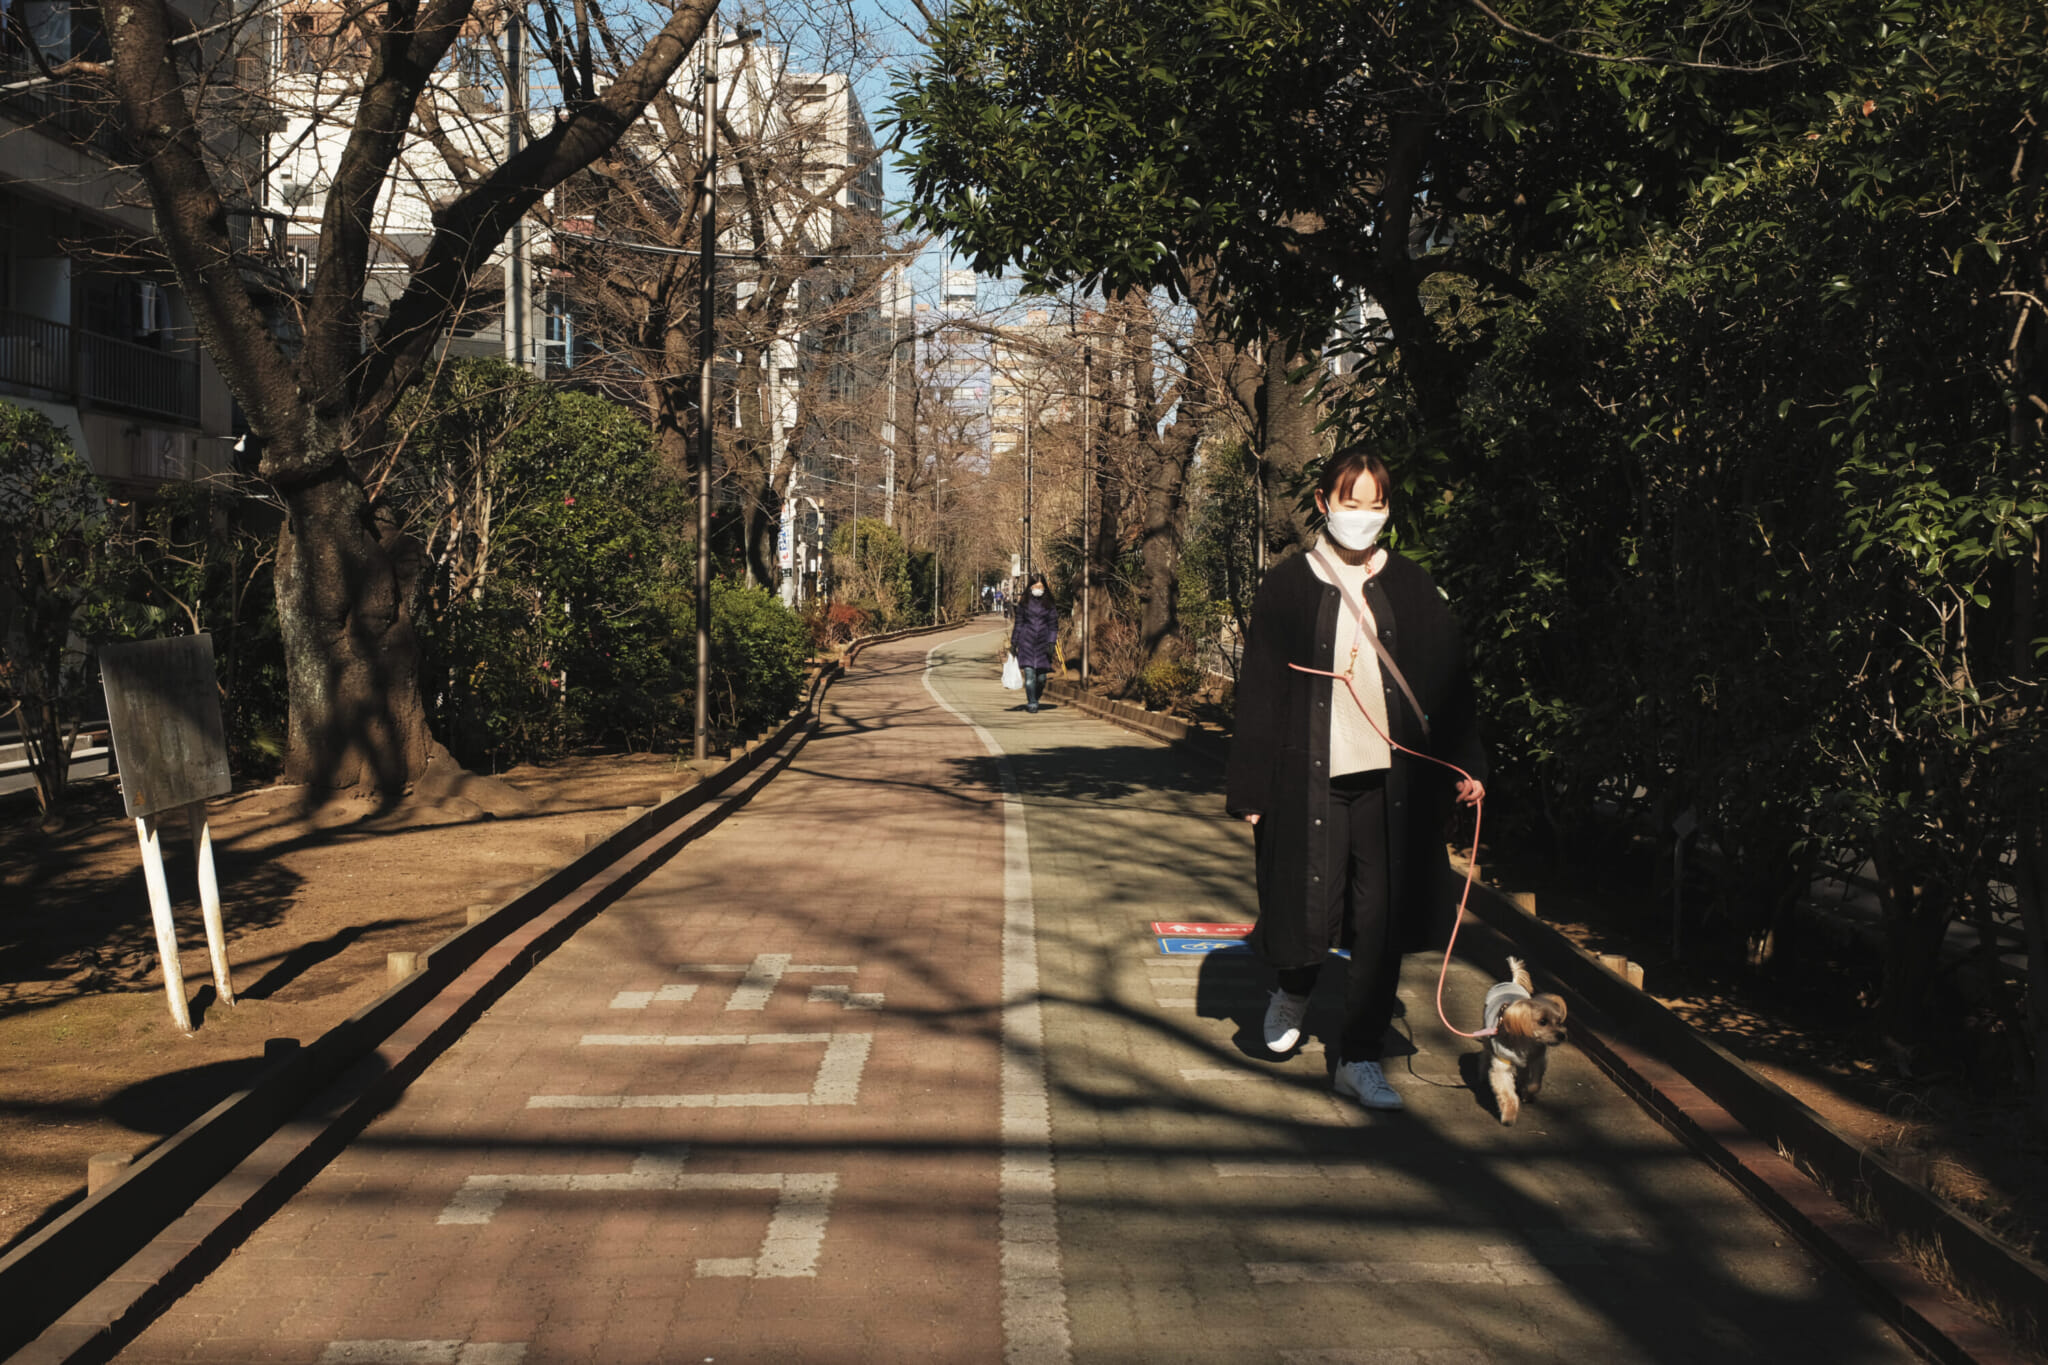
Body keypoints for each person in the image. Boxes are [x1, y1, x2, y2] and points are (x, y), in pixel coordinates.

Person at [1224, 447, 1487, 1112]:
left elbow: (1450, 683)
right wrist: (1251, 786)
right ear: (1323, 503)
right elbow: (1259, 688)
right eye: (1351, 501)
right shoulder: (1288, 584)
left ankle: (1360, 1056)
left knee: (1381, 919)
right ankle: (1293, 989)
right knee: (1312, 904)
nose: (1363, 515)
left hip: (1392, 785)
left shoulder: (1413, 585)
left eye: (1376, 503)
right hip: (1306, 775)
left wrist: (1468, 763)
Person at [1010, 572, 1059, 714]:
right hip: (1026, 643)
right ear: (1030, 587)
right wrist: (1014, 643)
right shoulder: (1024, 603)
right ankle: (1032, 702)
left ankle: (1035, 696)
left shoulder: (1049, 604)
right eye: (1035, 586)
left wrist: (1051, 642)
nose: (1038, 589)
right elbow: (1019, 623)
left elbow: (1053, 625)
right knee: (1030, 675)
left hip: (1043, 644)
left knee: (1042, 678)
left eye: (1040, 587)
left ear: (1044, 588)